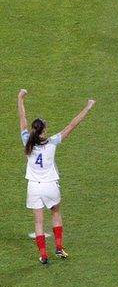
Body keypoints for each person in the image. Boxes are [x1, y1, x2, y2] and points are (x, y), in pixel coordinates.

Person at [17, 89, 95, 264]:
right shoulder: (52, 143)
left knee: (38, 223)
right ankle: (59, 248)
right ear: (43, 132)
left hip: (34, 187)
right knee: (56, 213)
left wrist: (20, 98)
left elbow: (22, 120)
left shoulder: (27, 142)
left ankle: (43, 255)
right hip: (50, 185)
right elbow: (72, 125)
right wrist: (87, 107)